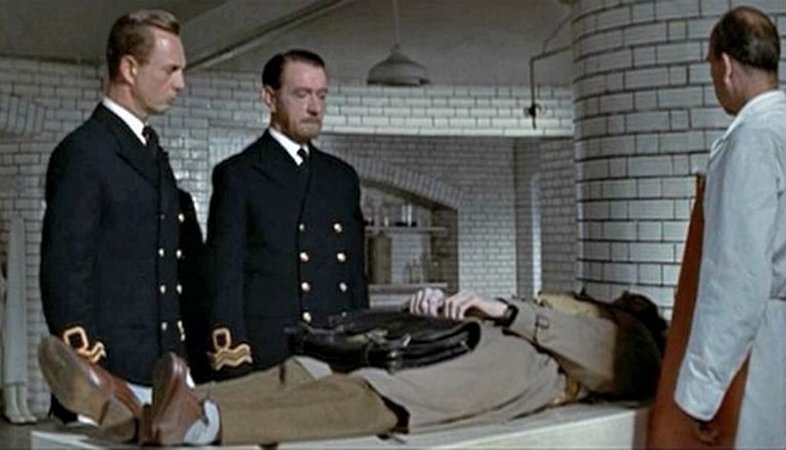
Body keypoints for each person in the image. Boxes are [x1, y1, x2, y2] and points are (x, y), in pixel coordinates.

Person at [38, 288, 665, 445]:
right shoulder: (568, 308)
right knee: (306, 371)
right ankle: (144, 407)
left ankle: (199, 422)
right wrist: (440, 303)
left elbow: (610, 360)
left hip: (503, 373)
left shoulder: (631, 334)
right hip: (459, 344)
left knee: (369, 396)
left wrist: (508, 309)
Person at [39, 9, 190, 423]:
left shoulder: (150, 152)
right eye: (171, 69)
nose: (181, 83)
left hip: (162, 373)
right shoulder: (85, 152)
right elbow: (66, 275)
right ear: (129, 68)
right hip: (110, 379)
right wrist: (92, 373)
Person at [674, 6, 786, 448]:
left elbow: (738, 280)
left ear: (726, 65)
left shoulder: (751, 141)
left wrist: (701, 395)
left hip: (757, 351)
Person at [205, 49, 368, 378]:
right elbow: (225, 280)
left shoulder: (341, 177)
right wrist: (234, 362)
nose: (315, 107)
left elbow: (354, 277)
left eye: (321, 95)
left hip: (337, 356)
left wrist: (362, 350)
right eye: (302, 94)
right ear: (270, 97)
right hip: (271, 357)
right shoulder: (240, 174)